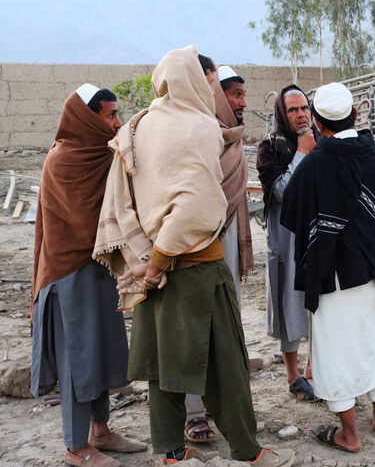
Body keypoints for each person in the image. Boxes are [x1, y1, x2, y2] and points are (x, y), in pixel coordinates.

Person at [92, 45, 291, 466]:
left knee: (163, 370)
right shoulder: (201, 127)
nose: (213, 88)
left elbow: (119, 202)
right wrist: (162, 257)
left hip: (151, 275)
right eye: (212, 81)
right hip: (197, 268)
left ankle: (172, 453)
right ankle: (247, 451)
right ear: (194, 81)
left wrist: (146, 261)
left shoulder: (134, 127)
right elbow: (199, 204)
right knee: (227, 366)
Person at [31, 84, 146, 467]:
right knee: (78, 360)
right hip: (70, 274)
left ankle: (101, 430)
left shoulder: (102, 155)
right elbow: (86, 223)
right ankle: (75, 446)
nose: (116, 123)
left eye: (116, 115)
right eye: (109, 115)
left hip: (98, 269)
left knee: (100, 352)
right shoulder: (64, 160)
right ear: (87, 117)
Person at [281, 82, 375, 453]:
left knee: (334, 349)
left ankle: (349, 434)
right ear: (357, 114)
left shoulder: (317, 162)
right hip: (373, 267)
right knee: (372, 340)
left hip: (331, 273)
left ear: (316, 121)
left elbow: (292, 213)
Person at [181, 63, 257, 444]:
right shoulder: (196, 134)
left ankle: (220, 404)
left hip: (226, 243)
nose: (243, 102)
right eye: (236, 94)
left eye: (244, 95)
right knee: (196, 326)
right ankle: (193, 411)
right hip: (194, 244)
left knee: (226, 324)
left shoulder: (234, 138)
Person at [256, 85, 319, 402]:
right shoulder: (271, 147)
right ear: (283, 114)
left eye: (304, 108)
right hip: (286, 241)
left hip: (317, 238)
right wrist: (301, 155)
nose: (301, 115)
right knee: (289, 305)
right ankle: (293, 375)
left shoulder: (320, 141)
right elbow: (282, 191)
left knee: (318, 306)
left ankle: (312, 369)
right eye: (293, 110)